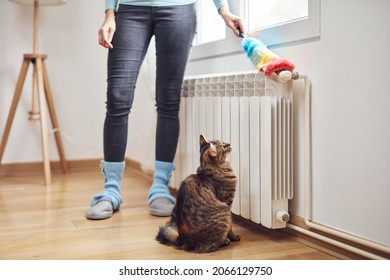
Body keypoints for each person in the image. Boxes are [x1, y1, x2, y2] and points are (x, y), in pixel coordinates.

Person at [86, 0, 246, 220]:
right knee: (117, 97)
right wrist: (109, 13)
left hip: (178, 9)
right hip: (131, 9)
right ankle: (110, 190)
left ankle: (160, 188)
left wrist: (224, 10)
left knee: (169, 101)